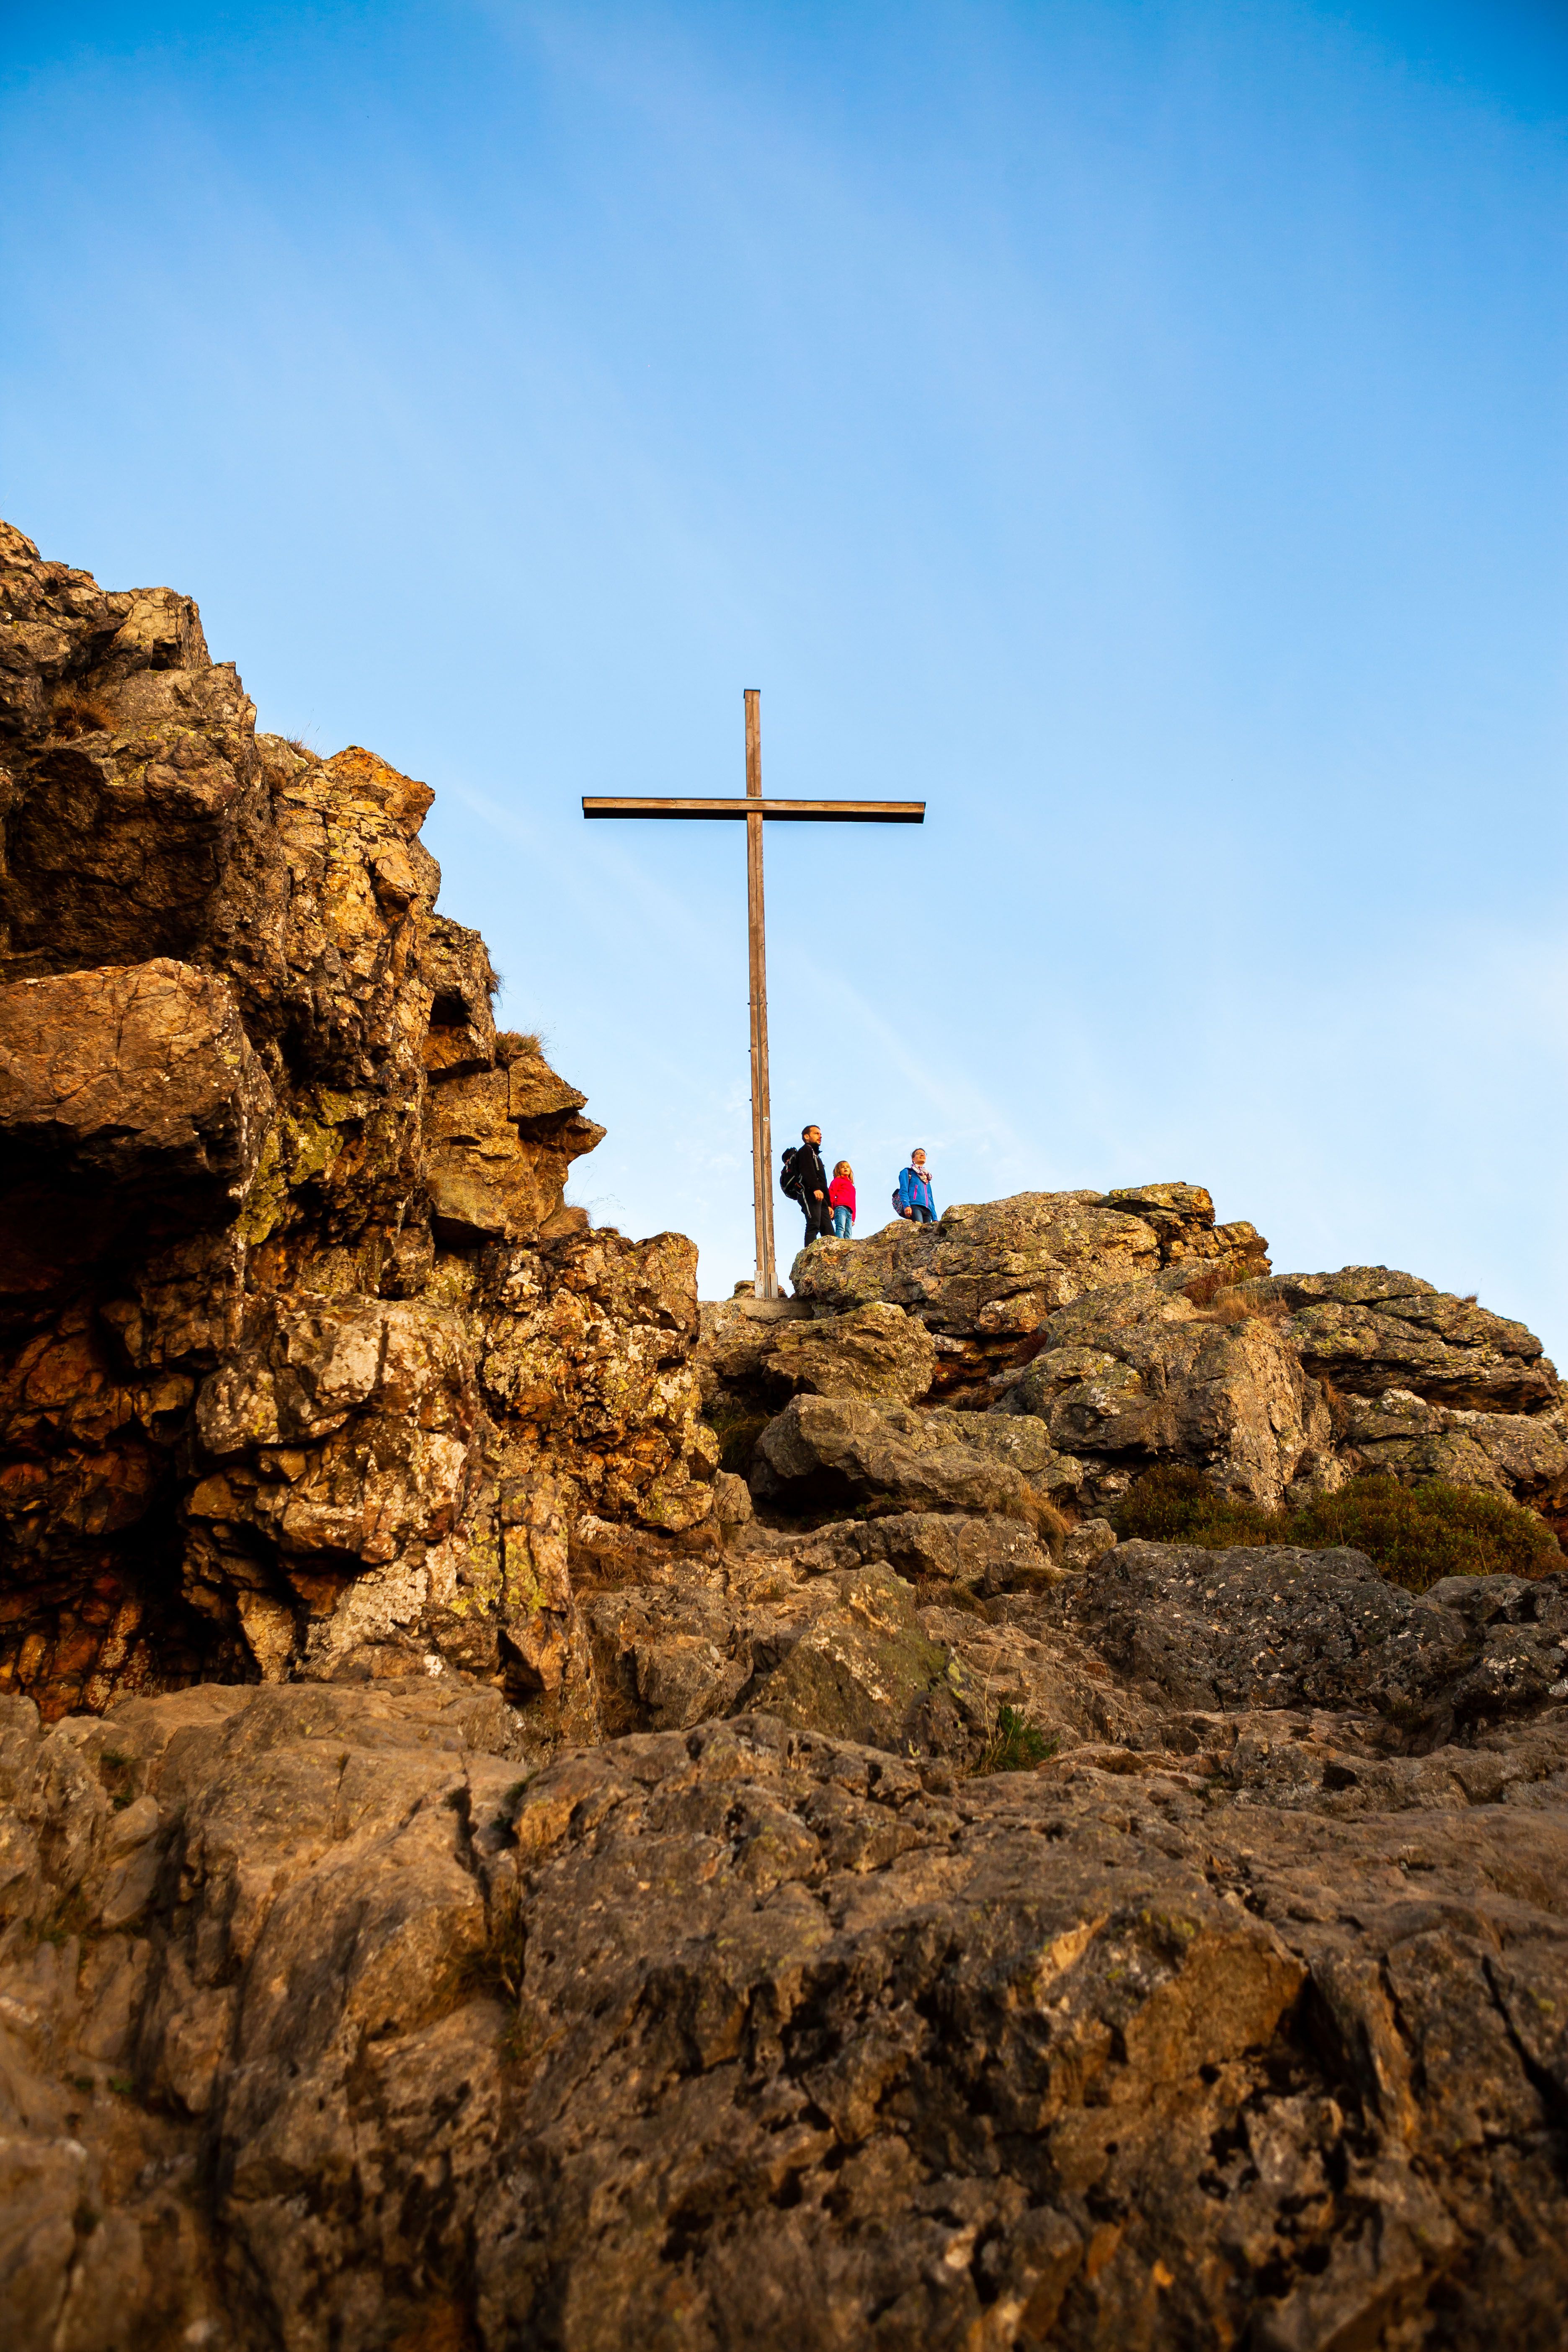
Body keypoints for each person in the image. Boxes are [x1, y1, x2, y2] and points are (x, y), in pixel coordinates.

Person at [781, 1124, 833, 1246]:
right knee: (813, 1224)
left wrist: (829, 1204)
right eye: (816, 1134)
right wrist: (815, 1189)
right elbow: (807, 1170)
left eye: (821, 1134)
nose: (820, 1136)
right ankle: (808, 1258)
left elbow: (823, 1181)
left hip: (821, 1197)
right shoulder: (805, 1150)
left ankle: (834, 1260)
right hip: (807, 1192)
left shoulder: (816, 1156)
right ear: (806, 1136)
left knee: (829, 1232)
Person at [896, 1148, 936, 1225]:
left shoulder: (927, 1178)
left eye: (924, 1154)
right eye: (919, 1153)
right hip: (915, 1206)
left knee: (927, 1235)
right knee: (919, 1230)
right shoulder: (907, 1172)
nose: (922, 1155)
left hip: (928, 1211)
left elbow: (931, 1198)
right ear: (913, 1159)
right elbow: (903, 1191)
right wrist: (907, 1206)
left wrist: (935, 1218)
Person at [828, 1160, 856, 1239]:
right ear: (838, 1170)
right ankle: (840, 1245)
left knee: (849, 1233)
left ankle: (848, 1249)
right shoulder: (838, 1181)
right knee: (841, 1228)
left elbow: (853, 1203)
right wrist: (831, 1207)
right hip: (840, 1208)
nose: (845, 1168)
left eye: (847, 1167)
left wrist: (853, 1218)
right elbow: (831, 1193)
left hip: (850, 1212)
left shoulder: (852, 1187)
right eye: (843, 1167)